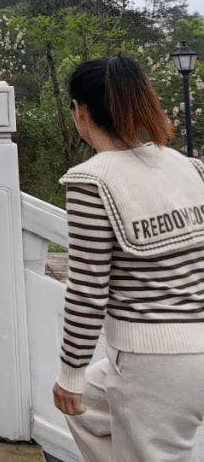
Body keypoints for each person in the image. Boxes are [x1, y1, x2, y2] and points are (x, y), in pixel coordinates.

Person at [52, 55, 204, 462]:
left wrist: (69, 373)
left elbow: (87, 289)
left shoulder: (93, 180)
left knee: (80, 396)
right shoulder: (188, 167)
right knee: (90, 410)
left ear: (80, 112)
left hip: (154, 361)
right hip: (191, 351)